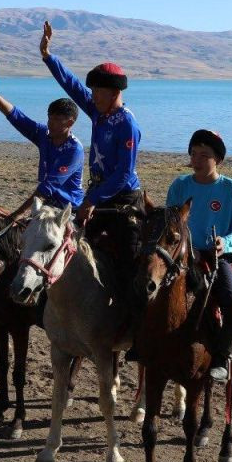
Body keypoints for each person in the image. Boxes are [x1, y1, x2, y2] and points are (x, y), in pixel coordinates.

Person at [39, 20, 143, 291]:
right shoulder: (99, 111)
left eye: (99, 91)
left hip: (123, 200)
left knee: (131, 264)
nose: (92, 96)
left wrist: (92, 200)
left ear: (115, 93)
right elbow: (72, 86)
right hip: (96, 195)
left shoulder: (127, 124)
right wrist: (49, 57)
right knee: (73, 248)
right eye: (93, 90)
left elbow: (124, 174)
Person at [165, 129, 232, 384]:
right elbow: (170, 221)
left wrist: (226, 242)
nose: (197, 160)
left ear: (218, 160)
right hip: (182, 256)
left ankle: (222, 357)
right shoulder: (179, 185)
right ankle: (141, 343)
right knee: (146, 287)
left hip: (215, 258)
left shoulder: (231, 189)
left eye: (204, 155)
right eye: (193, 154)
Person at [0, 65, 84, 210]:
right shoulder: (45, 135)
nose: (50, 123)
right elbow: (17, 117)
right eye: (49, 118)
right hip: (45, 205)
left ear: (70, 122)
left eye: (56, 119)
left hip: (68, 209)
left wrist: (19, 213)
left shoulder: (74, 150)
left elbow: (48, 186)